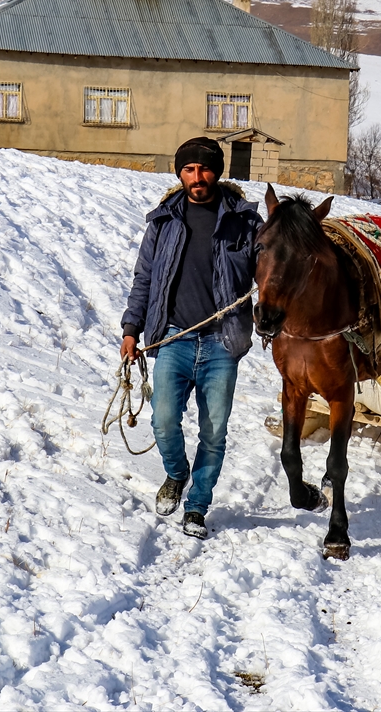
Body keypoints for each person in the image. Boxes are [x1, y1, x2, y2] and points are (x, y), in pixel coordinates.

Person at [121, 137, 263, 539]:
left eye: (204, 169)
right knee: (164, 421)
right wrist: (131, 329)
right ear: (179, 173)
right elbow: (144, 280)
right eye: (189, 170)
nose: (197, 178)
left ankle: (198, 505)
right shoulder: (163, 222)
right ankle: (176, 474)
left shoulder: (246, 222)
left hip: (223, 343)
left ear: (217, 171)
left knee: (213, 431)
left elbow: (270, 275)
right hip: (172, 338)